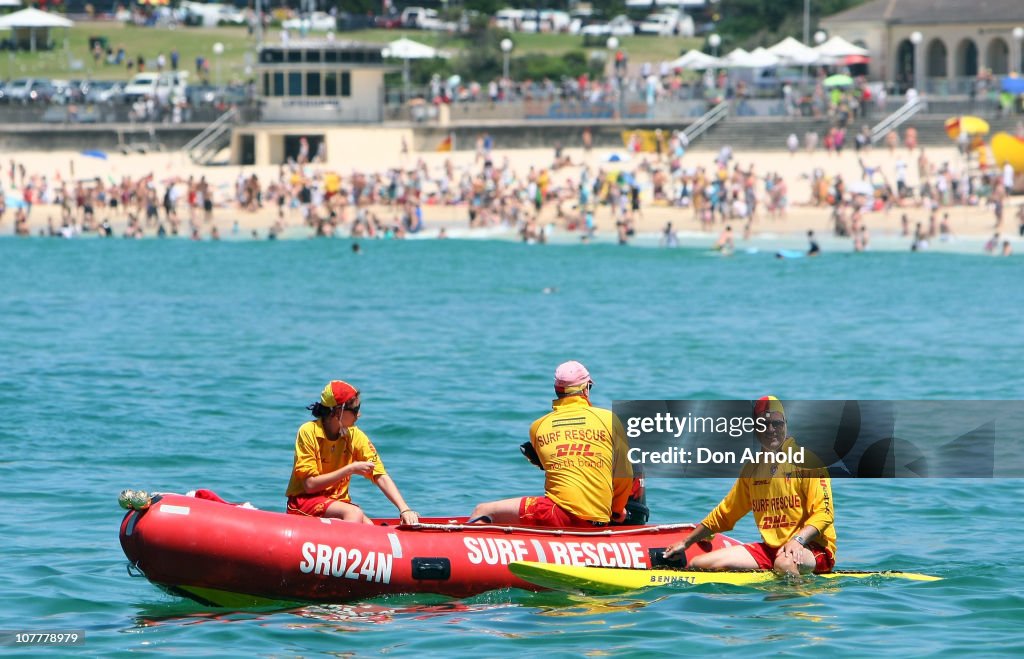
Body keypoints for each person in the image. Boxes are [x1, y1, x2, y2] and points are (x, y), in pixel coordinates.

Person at [664, 397, 836, 576]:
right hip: (771, 550)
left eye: (776, 423)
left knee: (784, 564)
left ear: (785, 423)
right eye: (763, 424)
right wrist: (686, 542)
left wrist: (798, 540)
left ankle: (796, 598)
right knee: (698, 564)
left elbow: (824, 514)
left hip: (812, 548)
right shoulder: (752, 468)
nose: (771, 430)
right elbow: (725, 513)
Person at [467, 361, 633, 527]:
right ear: (585, 389)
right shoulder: (608, 419)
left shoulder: (538, 427)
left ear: (557, 391)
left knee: (482, 510)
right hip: (597, 520)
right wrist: (617, 509)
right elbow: (624, 475)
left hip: (557, 514)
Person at [285, 380, 419, 524]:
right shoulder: (308, 432)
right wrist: (350, 469)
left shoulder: (355, 436)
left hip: (338, 503)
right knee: (354, 512)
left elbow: (379, 474)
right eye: (355, 410)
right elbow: (309, 485)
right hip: (305, 503)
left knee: (370, 527)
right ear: (337, 411)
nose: (358, 415)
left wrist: (404, 508)